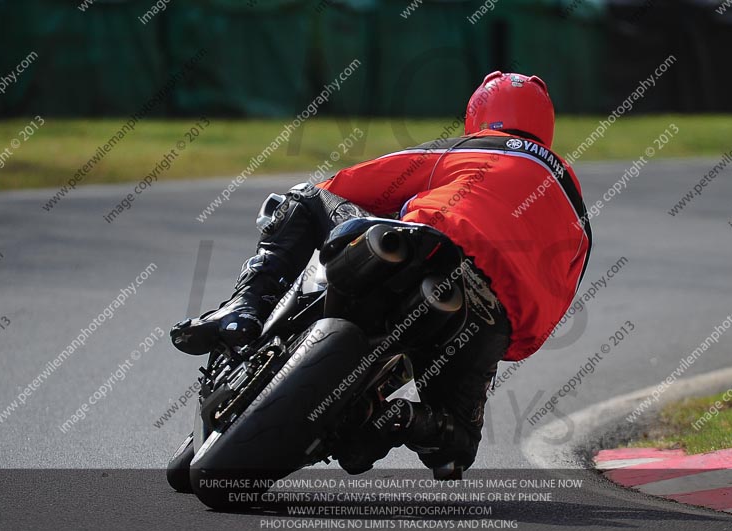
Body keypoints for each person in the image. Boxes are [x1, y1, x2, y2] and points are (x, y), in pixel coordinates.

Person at [171, 71, 592, 474]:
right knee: (455, 447)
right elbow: (548, 316)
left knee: (306, 196)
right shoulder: (581, 222)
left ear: (478, 115)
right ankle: (402, 419)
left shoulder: (476, 147)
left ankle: (243, 306)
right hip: (488, 319)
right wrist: (497, 339)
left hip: (425, 246)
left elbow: (348, 184)